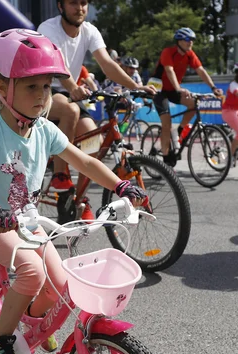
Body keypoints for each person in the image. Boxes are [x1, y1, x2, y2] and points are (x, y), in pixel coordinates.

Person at [0, 29, 146, 354]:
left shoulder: (43, 129)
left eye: (46, 87)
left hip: (26, 222)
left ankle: (28, 320)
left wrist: (119, 184)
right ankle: (0, 341)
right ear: (2, 88)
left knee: (62, 285)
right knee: (32, 273)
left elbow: (84, 162)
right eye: (32, 87)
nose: (43, 96)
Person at [37, 0, 155, 222]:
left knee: (93, 140)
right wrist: (73, 87)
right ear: (60, 7)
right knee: (71, 111)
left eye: (83, 3)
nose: (79, 8)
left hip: (71, 94)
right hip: (45, 91)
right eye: (73, 3)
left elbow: (107, 63)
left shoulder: (90, 31)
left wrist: (135, 86)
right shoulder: (47, 29)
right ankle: (60, 176)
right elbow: (58, 65)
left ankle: (78, 199)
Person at [151, 27, 221, 167]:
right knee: (166, 123)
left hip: (173, 89)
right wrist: (179, 89)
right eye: (188, 40)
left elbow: (201, 70)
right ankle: (165, 159)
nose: (191, 43)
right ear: (179, 41)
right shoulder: (168, 52)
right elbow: (169, 71)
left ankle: (180, 129)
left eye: (193, 40)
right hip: (158, 90)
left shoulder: (190, 54)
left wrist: (213, 88)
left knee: (193, 105)